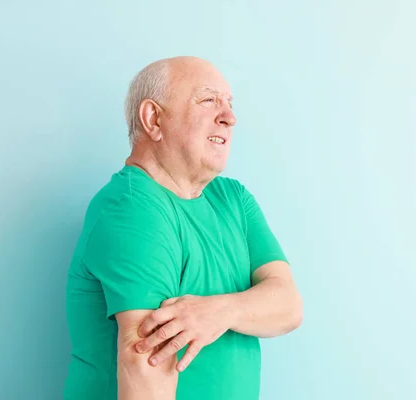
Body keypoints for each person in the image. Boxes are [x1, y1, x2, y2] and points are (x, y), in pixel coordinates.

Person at [64, 56, 303, 400]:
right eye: (208, 100)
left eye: (229, 104)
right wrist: (241, 307)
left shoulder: (233, 198)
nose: (230, 117)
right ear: (153, 119)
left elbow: (288, 305)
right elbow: (147, 366)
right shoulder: (132, 208)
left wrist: (221, 311)